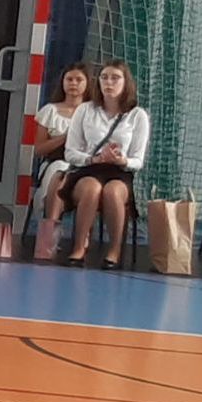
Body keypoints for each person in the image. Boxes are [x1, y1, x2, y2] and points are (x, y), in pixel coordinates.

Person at [59, 60, 151, 269]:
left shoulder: (137, 115)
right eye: (104, 77)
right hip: (89, 168)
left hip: (120, 171)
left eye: (115, 78)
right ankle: (79, 247)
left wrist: (122, 160)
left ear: (126, 83)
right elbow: (70, 152)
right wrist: (94, 158)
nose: (109, 82)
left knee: (112, 191)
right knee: (92, 188)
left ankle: (114, 251)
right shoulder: (85, 110)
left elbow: (138, 160)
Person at [32, 62, 92, 233]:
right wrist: (65, 138)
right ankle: (50, 231)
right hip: (55, 161)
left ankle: (83, 235)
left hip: (85, 165)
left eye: (78, 80)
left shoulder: (94, 113)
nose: (73, 83)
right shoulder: (49, 111)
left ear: (87, 83)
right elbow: (39, 149)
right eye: (69, 79)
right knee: (59, 170)